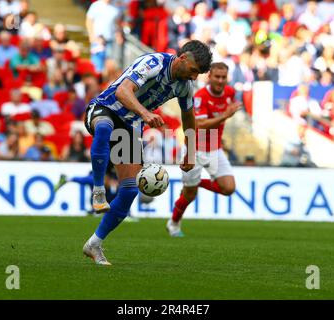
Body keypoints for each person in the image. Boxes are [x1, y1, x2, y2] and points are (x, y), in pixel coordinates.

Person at [82, 40, 212, 265]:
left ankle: (94, 243)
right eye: (193, 71)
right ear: (182, 59)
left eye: (197, 74)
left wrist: (190, 152)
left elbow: (189, 120)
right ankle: (98, 191)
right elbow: (123, 91)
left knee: (130, 191)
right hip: (106, 108)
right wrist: (144, 113)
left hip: (130, 125)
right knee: (104, 127)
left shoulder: (185, 86)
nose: (194, 77)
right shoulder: (152, 62)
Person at [166, 62, 240, 237]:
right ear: (210, 77)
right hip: (195, 148)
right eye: (217, 76)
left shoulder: (230, 93)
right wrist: (224, 116)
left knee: (228, 188)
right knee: (189, 196)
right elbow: (199, 124)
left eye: (224, 77)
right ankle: (174, 223)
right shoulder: (199, 96)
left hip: (215, 147)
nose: (220, 80)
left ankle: (195, 182)